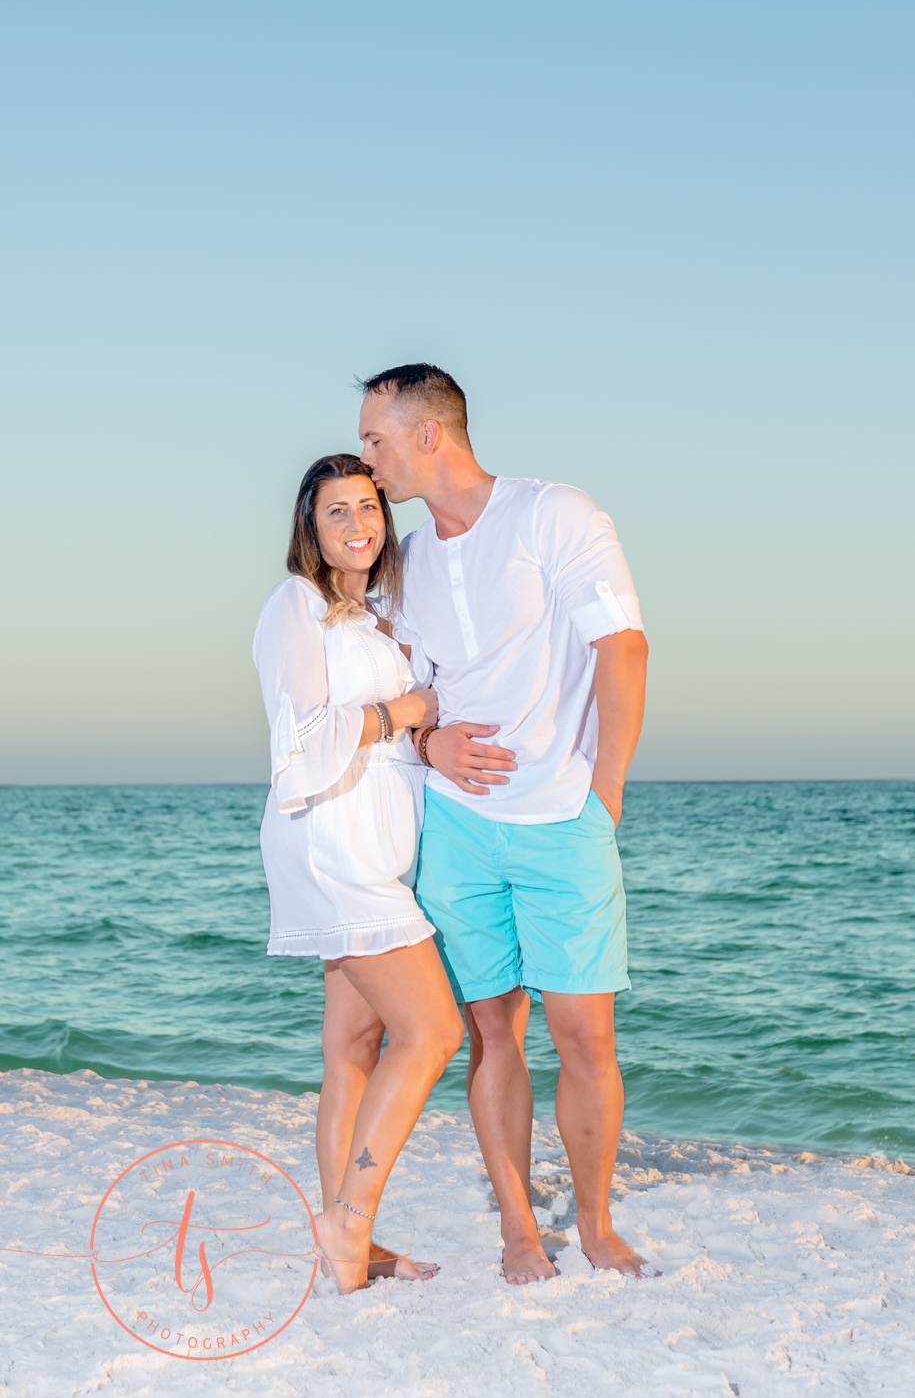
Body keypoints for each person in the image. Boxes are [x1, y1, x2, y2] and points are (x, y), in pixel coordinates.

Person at [359, 365, 650, 1284]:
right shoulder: (402, 559)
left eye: (375, 439)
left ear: (428, 435)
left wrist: (604, 793)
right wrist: (431, 746)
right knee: (492, 1030)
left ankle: (596, 1224)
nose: (367, 459)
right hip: (459, 828)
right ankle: (519, 1230)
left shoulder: (553, 515)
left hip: (564, 815)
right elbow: (404, 697)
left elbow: (623, 644)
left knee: (585, 1035)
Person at [253, 453, 466, 1295]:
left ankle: (353, 1239)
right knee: (434, 1032)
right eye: (336, 512)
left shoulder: (370, 615)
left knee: (352, 1044)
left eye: (369, 508)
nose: (357, 525)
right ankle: (349, 1222)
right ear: (309, 527)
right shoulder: (297, 605)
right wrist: (408, 712)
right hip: (332, 841)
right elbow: (301, 737)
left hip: (368, 838)